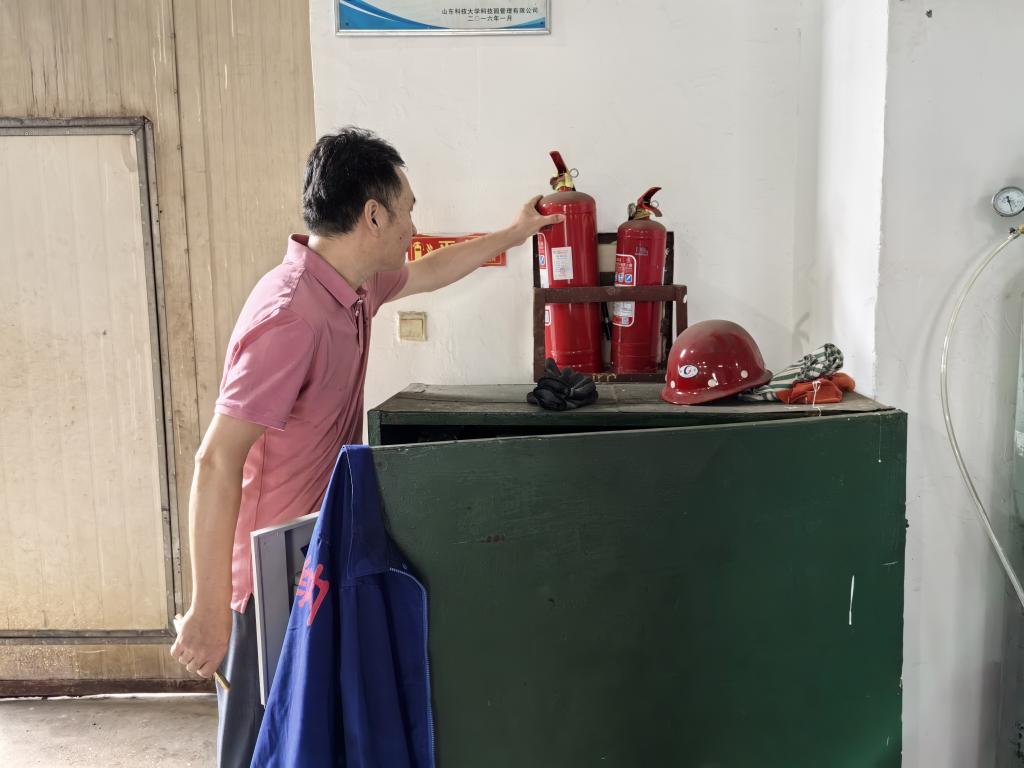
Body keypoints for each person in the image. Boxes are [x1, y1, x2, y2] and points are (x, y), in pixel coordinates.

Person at [168, 127, 563, 767]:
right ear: (373, 216)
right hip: (266, 579)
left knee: (309, 737)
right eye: (407, 210)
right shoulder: (290, 315)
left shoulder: (351, 286)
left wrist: (515, 234)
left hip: (314, 551)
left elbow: (430, 271)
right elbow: (216, 459)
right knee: (261, 743)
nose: (414, 226)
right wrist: (208, 608)